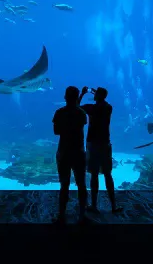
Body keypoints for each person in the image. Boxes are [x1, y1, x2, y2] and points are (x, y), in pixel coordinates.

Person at [78, 86, 123, 214]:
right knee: (108, 174)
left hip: (93, 144)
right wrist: (96, 93)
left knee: (94, 174)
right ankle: (113, 205)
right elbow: (102, 102)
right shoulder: (108, 108)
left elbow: (76, 107)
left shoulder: (91, 108)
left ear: (97, 96)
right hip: (105, 143)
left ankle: (93, 205)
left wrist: (82, 93)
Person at [52, 86, 89, 224]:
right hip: (78, 152)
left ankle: (61, 215)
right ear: (76, 96)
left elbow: (56, 132)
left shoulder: (59, 112)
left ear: (65, 97)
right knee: (81, 185)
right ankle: (82, 215)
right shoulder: (81, 113)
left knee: (64, 185)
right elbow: (77, 111)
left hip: (64, 152)